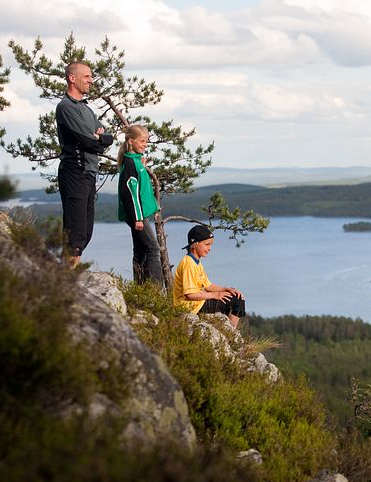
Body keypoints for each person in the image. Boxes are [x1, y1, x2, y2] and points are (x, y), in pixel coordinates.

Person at [55, 61, 114, 268]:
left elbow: (106, 137)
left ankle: (67, 276)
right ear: (72, 78)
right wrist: (96, 140)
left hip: (89, 173)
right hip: (75, 172)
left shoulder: (86, 109)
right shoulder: (65, 107)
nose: (91, 80)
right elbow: (89, 141)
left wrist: (99, 139)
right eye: (87, 76)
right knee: (76, 233)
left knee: (86, 232)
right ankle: (66, 281)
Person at [173, 225, 246, 328]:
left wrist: (227, 289)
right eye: (207, 244)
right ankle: (232, 332)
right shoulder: (188, 264)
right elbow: (189, 295)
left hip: (197, 303)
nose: (209, 248)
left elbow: (208, 286)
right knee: (236, 301)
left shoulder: (196, 262)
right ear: (194, 244)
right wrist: (215, 295)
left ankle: (228, 328)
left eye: (210, 245)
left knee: (235, 296)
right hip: (190, 306)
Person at [117, 124, 163, 286]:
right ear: (131, 141)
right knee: (153, 249)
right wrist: (137, 218)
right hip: (138, 216)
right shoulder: (130, 164)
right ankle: (157, 290)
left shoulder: (135, 161)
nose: (145, 145)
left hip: (140, 214)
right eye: (142, 141)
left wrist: (155, 207)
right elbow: (131, 194)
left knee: (141, 251)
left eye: (147, 141)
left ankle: (140, 287)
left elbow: (143, 189)